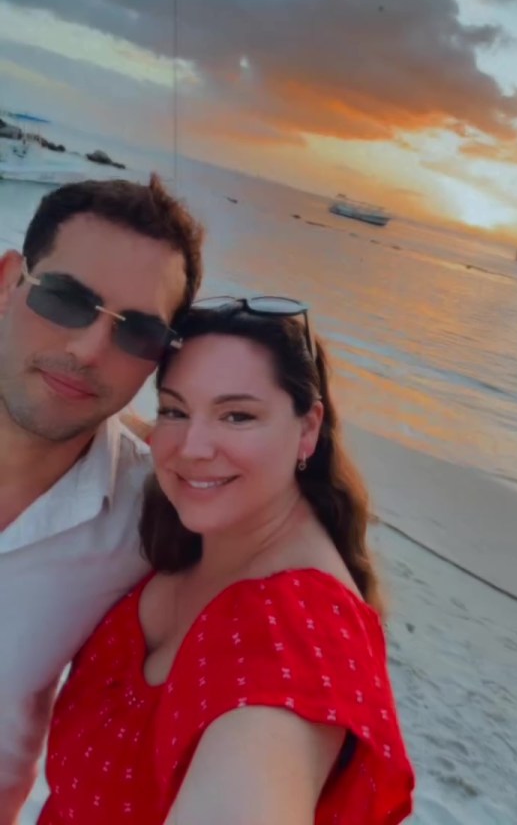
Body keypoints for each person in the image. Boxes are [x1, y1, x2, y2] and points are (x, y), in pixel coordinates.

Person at [39, 297, 415, 825]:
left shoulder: (299, 631)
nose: (193, 448)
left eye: (238, 415)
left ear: (307, 429)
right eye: (174, 409)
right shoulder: (197, 527)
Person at [0, 174, 203, 824]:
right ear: (7, 282)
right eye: (64, 298)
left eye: (138, 333)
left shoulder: (151, 516)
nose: (88, 350)